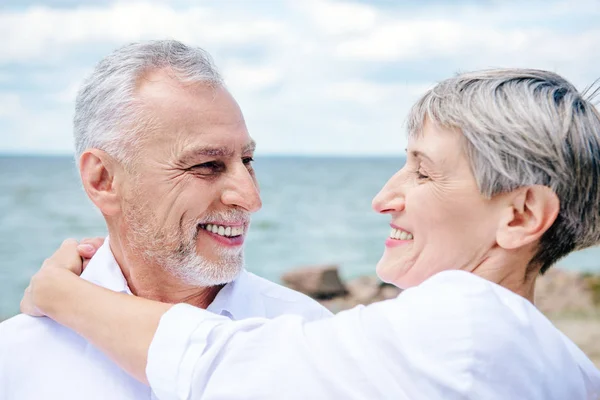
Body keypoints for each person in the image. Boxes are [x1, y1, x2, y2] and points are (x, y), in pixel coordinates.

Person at [20, 69, 600, 399]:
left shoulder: (466, 324)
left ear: (521, 215)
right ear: (102, 179)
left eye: (423, 171)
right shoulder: (571, 370)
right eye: (206, 165)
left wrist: (59, 293)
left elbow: (214, 362)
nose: (383, 198)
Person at [0, 40, 330, 400]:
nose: (251, 199)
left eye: (247, 161)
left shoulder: (315, 337)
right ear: (103, 180)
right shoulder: (16, 361)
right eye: (207, 165)